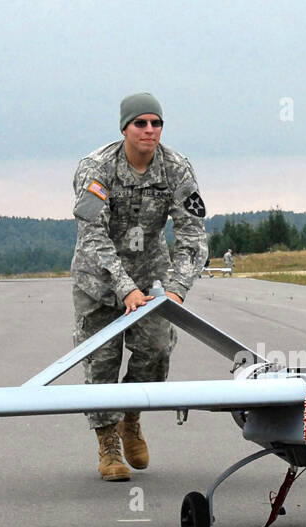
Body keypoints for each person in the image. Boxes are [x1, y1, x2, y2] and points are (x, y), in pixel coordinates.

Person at [70, 92, 208, 481]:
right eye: (140, 123)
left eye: (156, 123)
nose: (149, 130)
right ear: (124, 128)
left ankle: (130, 417)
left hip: (152, 279)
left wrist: (176, 290)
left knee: (157, 350)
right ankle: (108, 445)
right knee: (102, 362)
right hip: (99, 281)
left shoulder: (177, 169)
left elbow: (193, 235)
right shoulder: (97, 168)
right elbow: (92, 236)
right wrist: (124, 287)